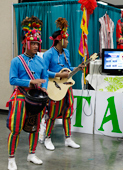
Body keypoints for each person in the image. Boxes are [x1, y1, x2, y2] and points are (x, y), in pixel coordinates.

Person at [7, 16, 48, 170]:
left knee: (35, 128)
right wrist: (30, 82)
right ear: (26, 43)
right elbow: (12, 80)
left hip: (36, 98)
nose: (37, 46)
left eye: (38, 43)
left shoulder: (41, 61)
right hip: (20, 97)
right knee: (16, 129)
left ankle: (32, 154)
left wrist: (43, 87)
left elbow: (44, 77)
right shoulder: (16, 61)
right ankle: (11, 158)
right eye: (34, 44)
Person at [43, 17, 84, 151]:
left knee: (68, 112)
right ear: (59, 40)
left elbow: (68, 68)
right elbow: (43, 72)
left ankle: (68, 138)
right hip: (54, 88)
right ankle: (47, 138)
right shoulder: (48, 54)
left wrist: (77, 68)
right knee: (53, 114)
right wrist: (59, 75)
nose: (67, 42)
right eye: (65, 39)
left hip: (66, 87)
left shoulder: (66, 52)